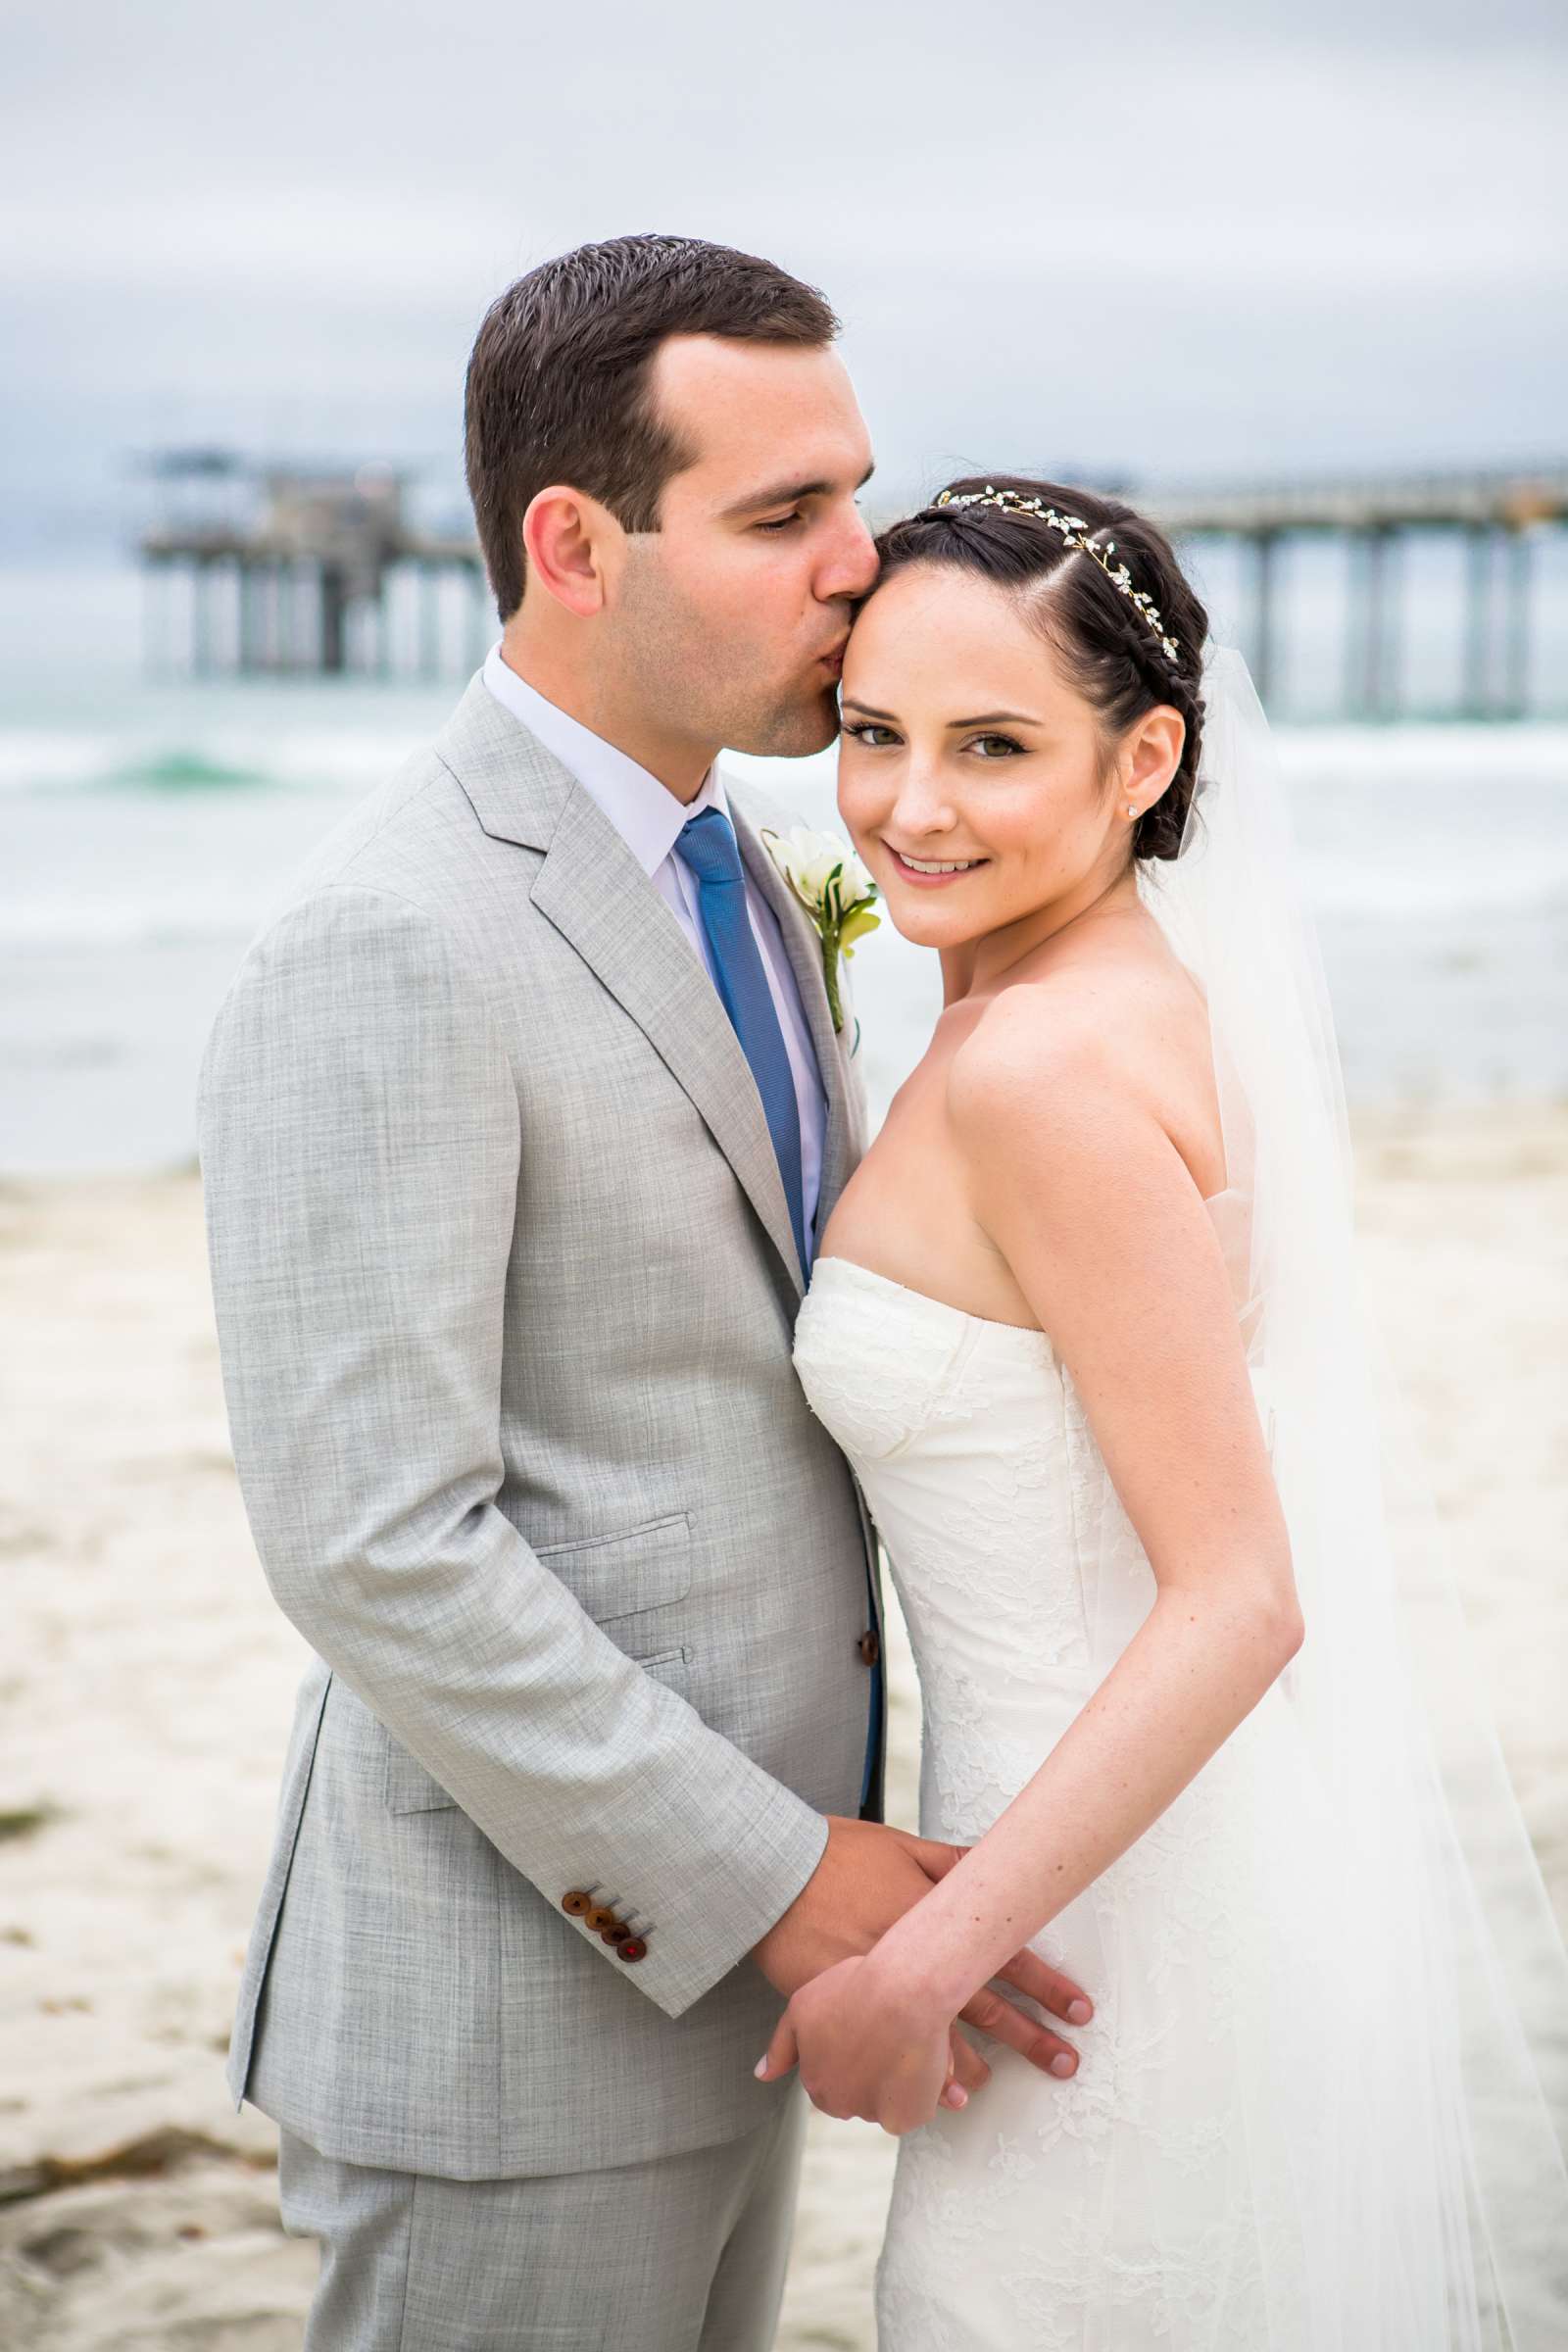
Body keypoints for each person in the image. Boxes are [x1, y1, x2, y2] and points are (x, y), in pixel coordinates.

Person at [198, 246, 1092, 2352]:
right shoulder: (390, 943)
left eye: (850, 498)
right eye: (782, 520)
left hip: (741, 1993)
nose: (854, 572)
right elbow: (374, 1546)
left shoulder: (749, 869)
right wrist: (775, 1879)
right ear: (572, 546)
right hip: (529, 2018)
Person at [769, 478, 1568, 2345]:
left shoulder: (1045, 1068)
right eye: (873, 736)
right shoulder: (1102, 998)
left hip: (1094, 1943)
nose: (911, 806)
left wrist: (924, 1967)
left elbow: (1239, 1594)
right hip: (1119, 1867)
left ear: (1145, 759)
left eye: (993, 746)